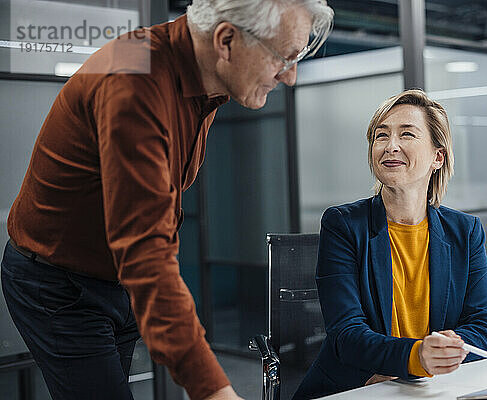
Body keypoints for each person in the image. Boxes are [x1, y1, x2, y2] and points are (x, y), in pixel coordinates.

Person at [1, 1, 333, 399]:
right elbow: (144, 250)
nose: (290, 76)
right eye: (283, 57)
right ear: (225, 41)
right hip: (59, 284)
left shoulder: (205, 77)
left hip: (114, 277)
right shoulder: (132, 78)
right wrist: (215, 390)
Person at [293, 89, 487, 399]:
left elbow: (484, 327)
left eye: (407, 134)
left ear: (437, 157)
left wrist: (440, 357)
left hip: (432, 388)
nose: (390, 146)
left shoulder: (465, 232)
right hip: (356, 387)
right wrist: (416, 357)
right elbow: (346, 334)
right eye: (380, 136)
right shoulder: (343, 225)